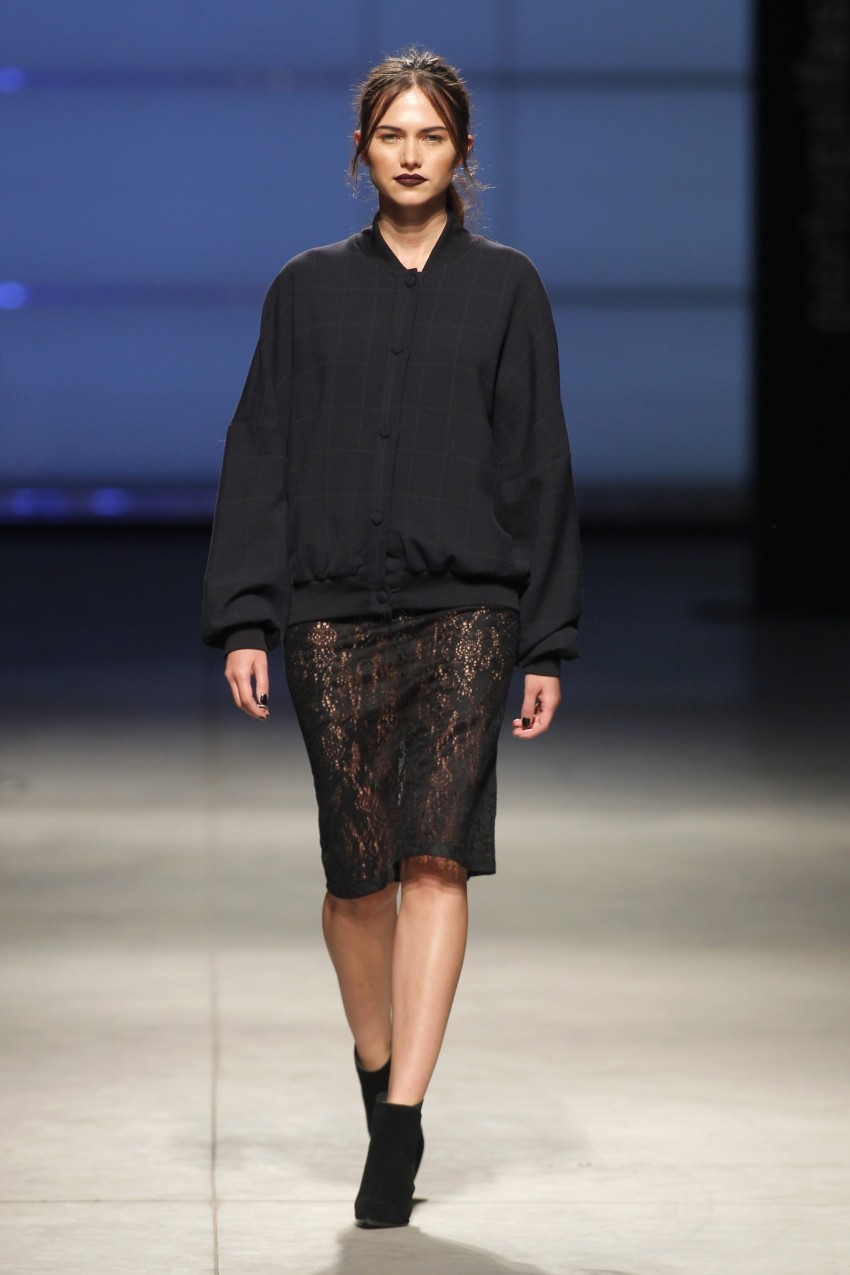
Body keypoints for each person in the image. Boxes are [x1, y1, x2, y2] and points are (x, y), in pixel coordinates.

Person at [201, 46, 582, 1228]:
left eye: (431, 135)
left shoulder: (506, 287)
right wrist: (245, 614)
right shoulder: (305, 289)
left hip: (469, 608)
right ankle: (378, 1071)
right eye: (390, 135)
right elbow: (260, 449)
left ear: (462, 151)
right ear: (360, 150)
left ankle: (403, 1121)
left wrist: (546, 639)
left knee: (436, 858)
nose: (411, 155)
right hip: (328, 613)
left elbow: (538, 461)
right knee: (357, 877)